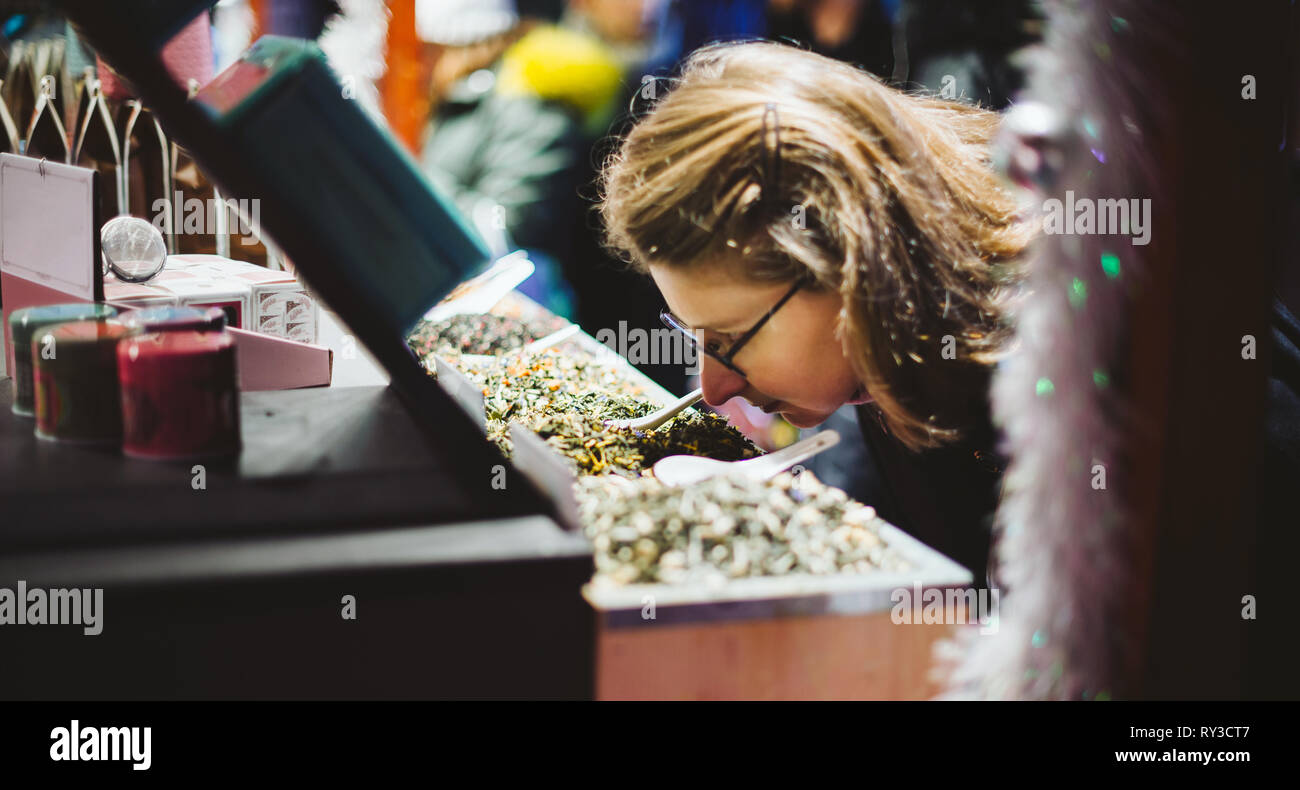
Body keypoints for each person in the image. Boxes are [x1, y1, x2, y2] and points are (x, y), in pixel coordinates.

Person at [599, 41, 1034, 585]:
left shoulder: (1042, 374)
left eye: (730, 339)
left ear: (849, 258)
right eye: (693, 336)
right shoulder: (885, 341)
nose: (713, 390)